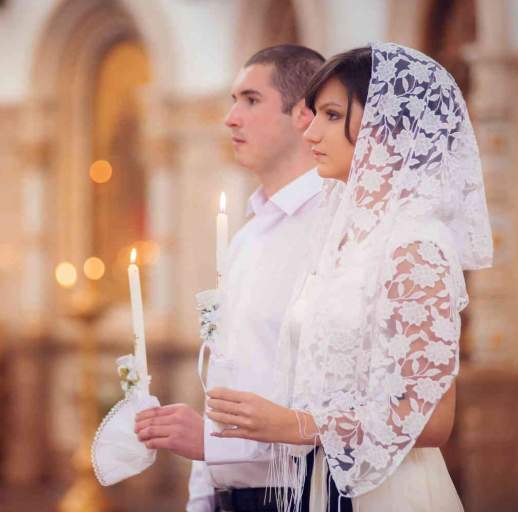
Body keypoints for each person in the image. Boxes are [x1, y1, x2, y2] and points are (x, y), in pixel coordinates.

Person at [206, 42, 493, 512]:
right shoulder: (342, 235)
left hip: (388, 491)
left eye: (333, 115)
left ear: (384, 126)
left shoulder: (415, 244)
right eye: (316, 114)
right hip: (322, 483)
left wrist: (297, 425)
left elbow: (434, 420)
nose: (311, 130)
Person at [134, 44, 326, 512]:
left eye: (251, 100)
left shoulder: (333, 228)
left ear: (303, 114)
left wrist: (213, 443)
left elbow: (331, 402)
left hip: (303, 495)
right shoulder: (245, 239)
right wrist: (202, 498)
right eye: (233, 100)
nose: (230, 118)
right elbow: (223, 378)